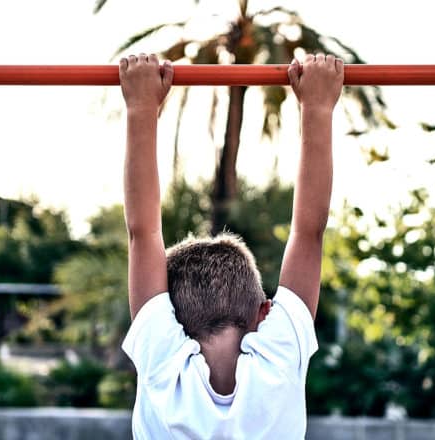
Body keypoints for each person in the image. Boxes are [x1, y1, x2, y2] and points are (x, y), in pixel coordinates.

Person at [119, 52, 343, 439]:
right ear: (263, 313)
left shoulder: (165, 368)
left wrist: (140, 107)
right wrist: (319, 106)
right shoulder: (277, 360)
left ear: (170, 313)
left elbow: (145, 232)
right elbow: (308, 230)